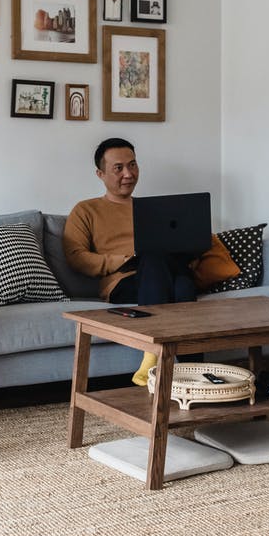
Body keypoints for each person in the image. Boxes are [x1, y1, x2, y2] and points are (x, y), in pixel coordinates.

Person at [62, 138, 236, 386]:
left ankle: (174, 369)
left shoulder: (155, 209)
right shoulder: (86, 210)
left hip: (166, 268)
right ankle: (188, 366)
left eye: (133, 165)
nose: (128, 174)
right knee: (177, 281)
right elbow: (75, 257)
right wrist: (123, 260)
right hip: (124, 280)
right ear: (100, 174)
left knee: (177, 277)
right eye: (118, 168)